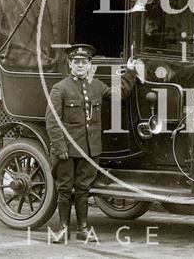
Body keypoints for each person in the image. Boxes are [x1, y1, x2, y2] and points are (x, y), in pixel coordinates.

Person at [45, 44, 138, 242]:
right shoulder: (60, 88)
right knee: (64, 189)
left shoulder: (96, 86)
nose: (80, 65)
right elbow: (53, 121)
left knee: (83, 189)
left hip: (89, 150)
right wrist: (60, 147)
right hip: (67, 151)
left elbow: (118, 94)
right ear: (70, 65)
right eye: (76, 62)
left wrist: (130, 72)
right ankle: (62, 229)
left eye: (84, 62)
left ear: (89, 65)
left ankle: (83, 229)